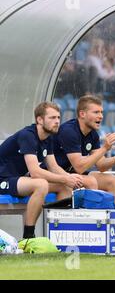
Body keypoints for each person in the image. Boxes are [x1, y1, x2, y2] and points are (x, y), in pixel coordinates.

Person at [0, 102, 86, 239]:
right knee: (41, 184)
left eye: (58, 117)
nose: (57, 121)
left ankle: (61, 234)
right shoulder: (27, 135)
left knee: (64, 186)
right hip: (3, 179)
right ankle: (29, 237)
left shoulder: (48, 138)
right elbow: (35, 172)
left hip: (18, 180)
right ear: (39, 120)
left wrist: (71, 178)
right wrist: (66, 178)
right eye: (52, 118)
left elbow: (54, 167)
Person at [52, 95, 115, 206]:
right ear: (82, 114)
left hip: (74, 174)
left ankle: (111, 220)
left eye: (101, 112)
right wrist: (105, 148)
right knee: (90, 181)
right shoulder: (69, 131)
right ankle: (92, 221)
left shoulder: (93, 135)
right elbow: (79, 167)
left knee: (113, 181)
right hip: (56, 175)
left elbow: (101, 166)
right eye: (96, 112)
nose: (101, 116)